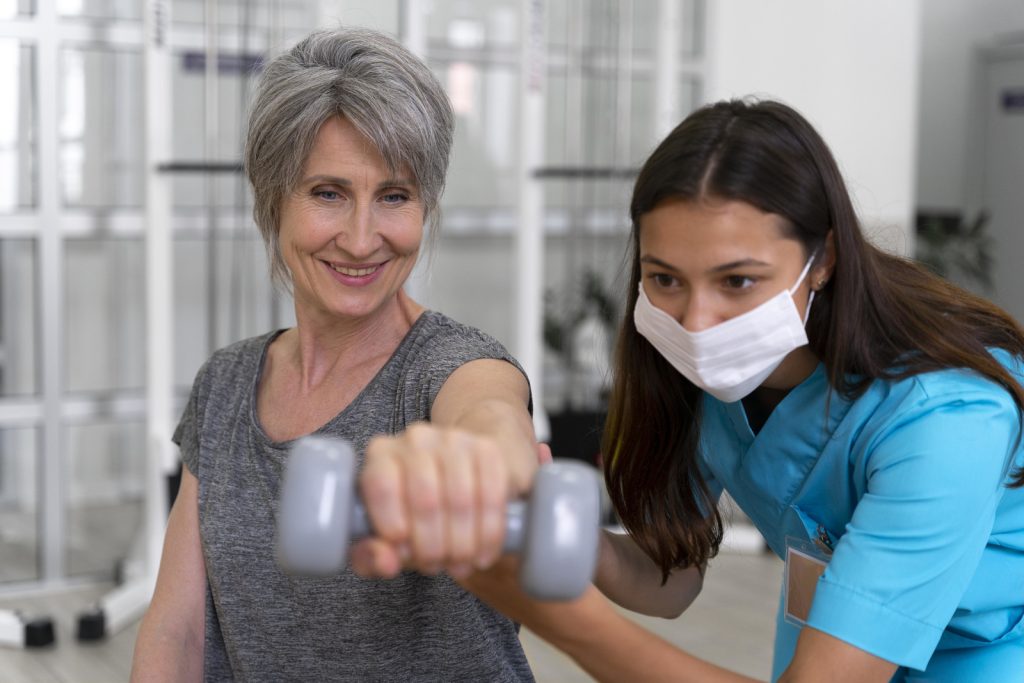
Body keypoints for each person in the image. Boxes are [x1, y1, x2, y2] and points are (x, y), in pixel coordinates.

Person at [461, 99, 1024, 682]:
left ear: (823, 259)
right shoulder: (701, 380)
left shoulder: (948, 418)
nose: (697, 321)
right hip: (837, 608)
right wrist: (568, 539)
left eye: (738, 281)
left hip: (989, 642)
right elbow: (672, 579)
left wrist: (562, 621)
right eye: (665, 279)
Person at [130, 26, 541, 682]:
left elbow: (489, 414)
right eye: (328, 193)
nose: (360, 238)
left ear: (425, 208)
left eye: (394, 196)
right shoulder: (227, 385)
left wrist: (490, 466)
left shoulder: (453, 365)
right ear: (273, 201)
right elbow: (177, 629)